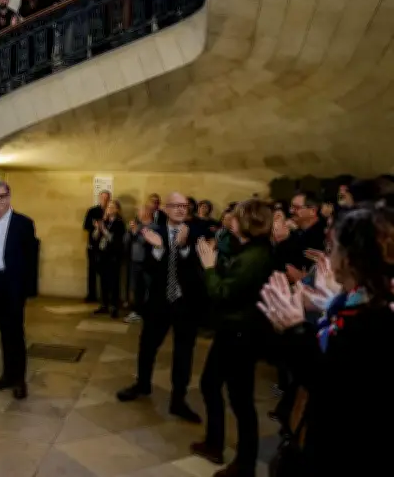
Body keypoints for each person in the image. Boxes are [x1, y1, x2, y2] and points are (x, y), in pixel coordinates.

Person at [258, 205, 394, 476]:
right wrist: (328, 302)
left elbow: (334, 381)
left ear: (351, 259)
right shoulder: (361, 300)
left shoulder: (378, 318)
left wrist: (295, 330)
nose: (328, 258)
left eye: (333, 249)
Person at [190, 199, 276, 477]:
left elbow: (224, 294)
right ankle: (215, 443)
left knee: (239, 399)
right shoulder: (252, 250)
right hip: (235, 330)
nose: (231, 220)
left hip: (240, 333)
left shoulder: (256, 256)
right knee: (212, 385)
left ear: (248, 222)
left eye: (236, 217)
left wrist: (210, 267)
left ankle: (244, 463)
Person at [116, 192, 202, 424]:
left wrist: (183, 248)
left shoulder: (197, 233)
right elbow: (147, 268)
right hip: (159, 302)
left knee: (184, 352)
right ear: (165, 208)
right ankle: (142, 385)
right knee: (147, 346)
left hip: (185, 304)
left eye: (184, 205)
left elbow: (198, 269)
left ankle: (178, 400)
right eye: (175, 205)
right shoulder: (156, 232)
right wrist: (160, 249)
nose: (180, 210)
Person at [0, 181, 36, 401]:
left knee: (15, 332)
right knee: (4, 331)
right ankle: (7, 375)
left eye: (1, 197)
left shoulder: (23, 223)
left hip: (14, 286)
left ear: (9, 196)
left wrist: (28, 290)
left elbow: (31, 259)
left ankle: (19, 379)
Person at [93, 199, 126, 318]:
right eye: (108, 207)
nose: (109, 209)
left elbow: (114, 239)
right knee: (103, 282)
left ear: (117, 210)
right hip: (103, 255)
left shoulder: (119, 223)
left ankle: (114, 307)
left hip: (113, 256)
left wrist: (104, 230)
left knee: (114, 283)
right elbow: (95, 237)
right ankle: (104, 305)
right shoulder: (104, 221)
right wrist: (98, 228)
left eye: (112, 207)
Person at [83, 191, 111, 303]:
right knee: (92, 271)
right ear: (99, 198)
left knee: (105, 273)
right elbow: (85, 226)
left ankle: (106, 297)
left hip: (105, 247)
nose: (104, 200)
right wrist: (94, 225)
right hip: (93, 245)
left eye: (106, 198)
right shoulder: (92, 211)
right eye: (102, 198)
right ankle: (91, 295)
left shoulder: (111, 211)